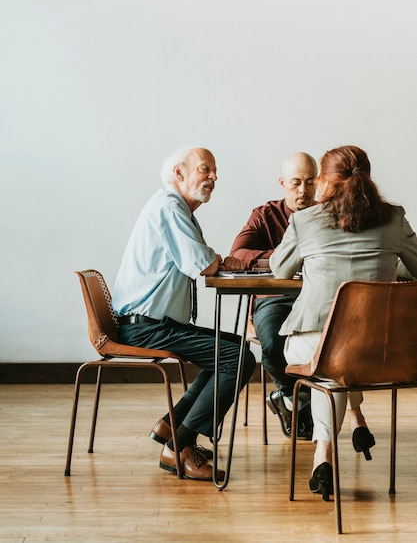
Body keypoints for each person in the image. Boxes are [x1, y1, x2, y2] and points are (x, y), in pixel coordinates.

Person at [269, 145, 417, 500]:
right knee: (342, 362)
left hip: (313, 340)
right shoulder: (394, 218)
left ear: (324, 181)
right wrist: (384, 263)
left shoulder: (304, 221)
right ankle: (351, 426)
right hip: (377, 347)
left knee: (330, 363)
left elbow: (279, 269)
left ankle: (324, 453)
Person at [112, 146, 256, 482]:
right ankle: (181, 444)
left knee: (234, 350)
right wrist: (219, 259)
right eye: (205, 170)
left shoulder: (175, 208)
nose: (213, 178)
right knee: (238, 359)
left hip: (151, 324)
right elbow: (202, 264)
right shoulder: (169, 207)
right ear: (179, 173)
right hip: (146, 327)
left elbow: (201, 259)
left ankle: (172, 424)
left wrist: (216, 258)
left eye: (214, 171)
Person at [229, 152, 317, 440]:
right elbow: (238, 254)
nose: (303, 190)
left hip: (315, 298)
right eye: (295, 183)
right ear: (282, 183)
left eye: (309, 182)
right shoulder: (265, 215)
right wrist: (283, 258)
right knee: (272, 343)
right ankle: (295, 399)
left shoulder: (327, 213)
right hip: (273, 297)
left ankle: (298, 401)